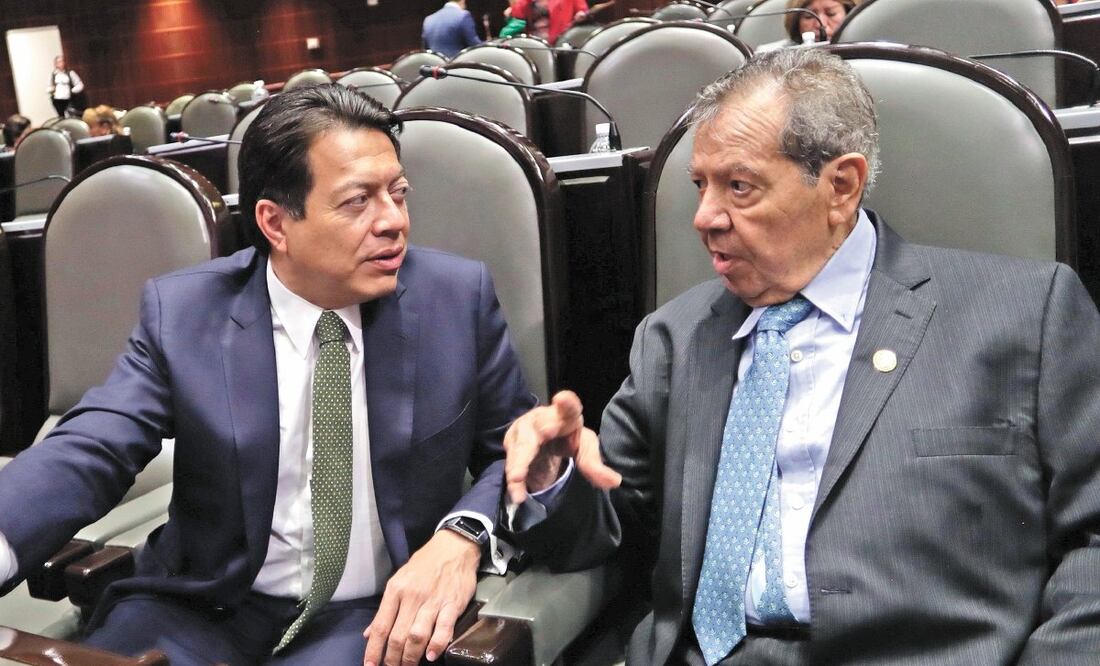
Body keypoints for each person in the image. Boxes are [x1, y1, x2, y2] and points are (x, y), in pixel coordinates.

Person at [503, 48, 1100, 665]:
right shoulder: (675, 339)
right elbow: (612, 528)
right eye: (700, 186)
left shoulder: (1022, 314)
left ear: (840, 185)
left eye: (739, 186)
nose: (705, 217)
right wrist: (557, 481)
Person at [0, 83, 536, 665]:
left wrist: (462, 535)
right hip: (201, 606)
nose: (393, 222)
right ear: (275, 224)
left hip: (367, 613)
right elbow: (93, 446)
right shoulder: (185, 314)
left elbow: (518, 452)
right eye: (358, 201)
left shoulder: (454, 300)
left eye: (398, 194)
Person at [757, 0, 854, 52]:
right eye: (808, 16)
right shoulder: (769, 54)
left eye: (831, 14)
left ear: (849, 14)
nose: (821, 24)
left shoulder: (863, 53)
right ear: (796, 22)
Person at [508, 0, 589, 44]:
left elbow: (584, 10)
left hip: (561, 41)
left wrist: (581, 13)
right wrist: (511, 12)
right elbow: (516, 17)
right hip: (534, 43)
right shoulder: (525, 2)